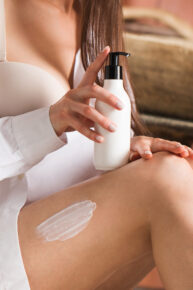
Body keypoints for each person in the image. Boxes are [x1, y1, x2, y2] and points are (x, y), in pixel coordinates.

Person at [0, 0, 193, 289]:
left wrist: (125, 148)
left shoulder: (98, 14)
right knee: (167, 178)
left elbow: (99, 138)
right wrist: (49, 122)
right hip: (9, 241)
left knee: (171, 165)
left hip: (72, 238)